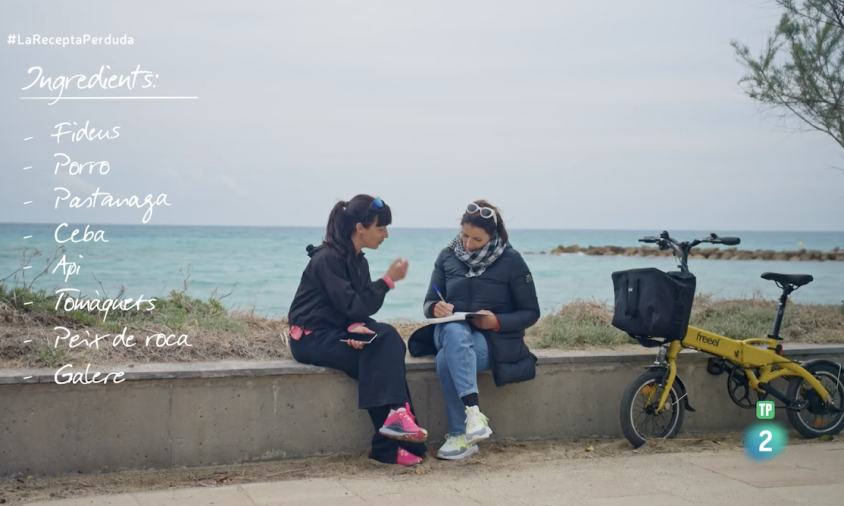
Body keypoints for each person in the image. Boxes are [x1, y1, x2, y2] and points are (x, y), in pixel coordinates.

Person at [287, 194, 428, 466]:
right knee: (383, 340)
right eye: (380, 227)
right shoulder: (326, 259)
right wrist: (387, 281)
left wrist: (353, 327)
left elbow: (351, 308)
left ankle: (395, 429)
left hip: (335, 331)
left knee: (389, 343)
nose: (386, 235)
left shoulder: (358, 260)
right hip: (310, 338)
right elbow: (353, 304)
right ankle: (395, 425)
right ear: (360, 227)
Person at [423, 200, 540, 460]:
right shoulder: (446, 256)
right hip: (447, 331)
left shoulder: (511, 260)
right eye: (464, 235)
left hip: (489, 342)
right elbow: (429, 301)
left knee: (446, 359)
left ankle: (459, 436)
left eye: (476, 239)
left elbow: (531, 312)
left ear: (493, 236)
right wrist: (435, 308)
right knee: (454, 330)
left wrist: (496, 321)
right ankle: (473, 413)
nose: (467, 244)